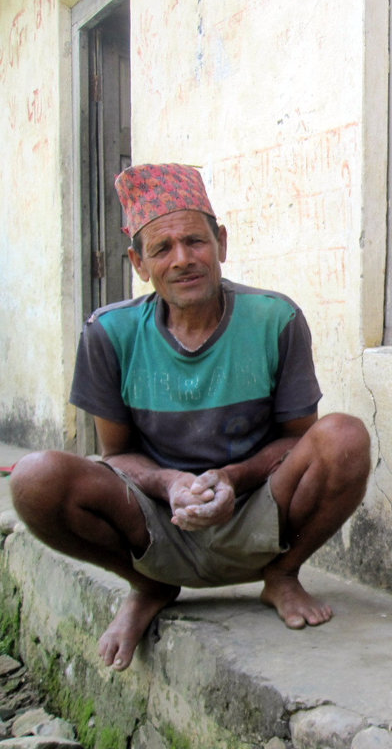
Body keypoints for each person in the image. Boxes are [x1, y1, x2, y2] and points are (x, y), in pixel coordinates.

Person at [11, 163, 370, 672]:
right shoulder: (109, 334)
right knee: (35, 479)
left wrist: (230, 477)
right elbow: (115, 456)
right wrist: (172, 483)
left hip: (256, 508)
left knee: (345, 437)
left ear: (221, 242)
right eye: (162, 249)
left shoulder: (276, 319)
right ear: (139, 262)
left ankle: (283, 575)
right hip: (156, 518)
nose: (183, 260)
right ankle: (149, 583)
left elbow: (299, 442)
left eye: (195, 241)